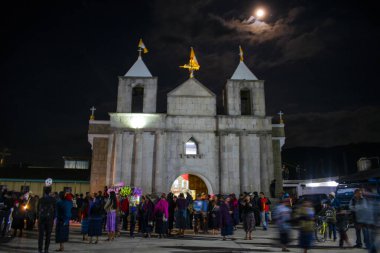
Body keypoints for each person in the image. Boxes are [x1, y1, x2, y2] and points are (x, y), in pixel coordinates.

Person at [37, 186, 56, 253]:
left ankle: (40, 249)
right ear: (50, 192)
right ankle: (46, 249)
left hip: (41, 219)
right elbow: (55, 210)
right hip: (49, 219)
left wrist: (38, 218)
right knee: (48, 235)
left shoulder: (41, 199)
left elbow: (38, 209)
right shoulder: (53, 200)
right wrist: (53, 218)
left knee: (41, 235)